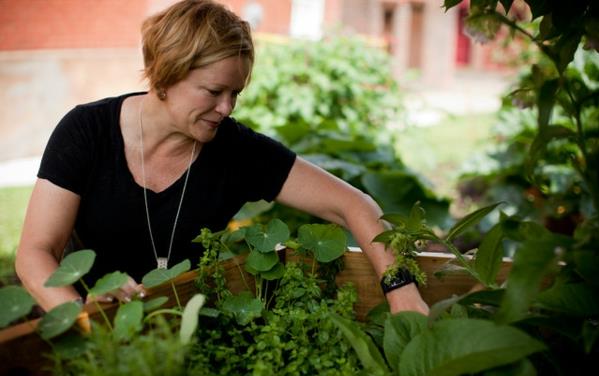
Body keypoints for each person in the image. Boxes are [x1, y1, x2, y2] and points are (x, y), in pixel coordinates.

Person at [16, 0, 428, 315]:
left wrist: (402, 290)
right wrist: (82, 317)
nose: (227, 108)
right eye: (214, 92)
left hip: (186, 331)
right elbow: (36, 251)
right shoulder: (86, 131)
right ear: (166, 73)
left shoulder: (235, 150)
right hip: (80, 330)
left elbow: (354, 205)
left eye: (236, 94)